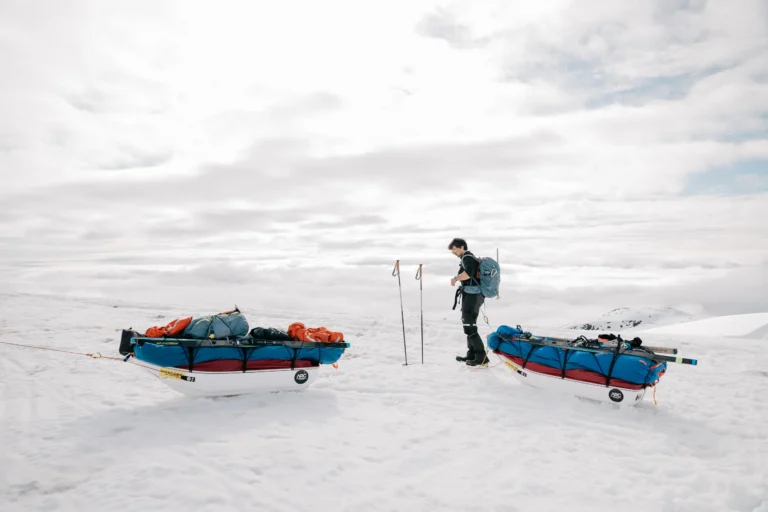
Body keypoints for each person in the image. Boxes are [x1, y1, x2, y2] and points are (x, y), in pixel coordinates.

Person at [448, 238, 488, 366]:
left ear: (461, 247)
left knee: (469, 326)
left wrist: (455, 278)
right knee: (470, 325)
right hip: (474, 294)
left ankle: (481, 358)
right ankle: (472, 354)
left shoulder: (467, 258)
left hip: (472, 295)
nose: (453, 252)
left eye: (454, 249)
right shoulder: (469, 257)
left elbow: (469, 274)